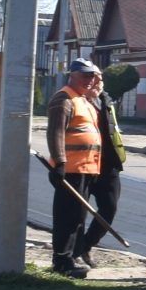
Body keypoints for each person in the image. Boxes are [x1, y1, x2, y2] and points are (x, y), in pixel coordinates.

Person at [43, 60, 111, 277]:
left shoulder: (83, 99)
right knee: (67, 217)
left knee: (78, 218)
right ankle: (62, 261)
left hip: (86, 168)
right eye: (85, 75)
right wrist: (60, 162)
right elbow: (55, 133)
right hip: (70, 169)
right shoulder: (64, 99)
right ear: (72, 75)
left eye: (92, 76)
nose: (89, 80)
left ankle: (71, 258)